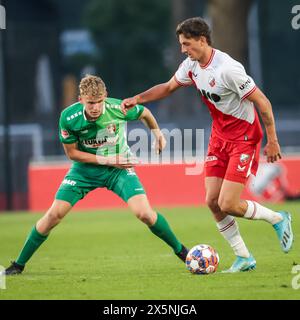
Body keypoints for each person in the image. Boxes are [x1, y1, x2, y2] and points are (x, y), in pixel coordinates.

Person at [121, 17, 294, 272]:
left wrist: (273, 140)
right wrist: (138, 98)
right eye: (181, 44)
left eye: (187, 44)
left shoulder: (228, 69)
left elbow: (263, 102)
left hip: (244, 138)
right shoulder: (191, 65)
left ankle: (278, 218)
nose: (183, 50)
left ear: (202, 40)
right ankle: (244, 257)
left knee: (228, 204)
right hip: (219, 137)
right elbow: (168, 87)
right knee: (212, 201)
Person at [4, 75, 188, 275]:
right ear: (80, 99)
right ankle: (18, 265)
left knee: (144, 213)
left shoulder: (117, 109)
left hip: (118, 170)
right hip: (85, 171)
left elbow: (145, 112)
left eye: (99, 101)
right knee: (53, 215)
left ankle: (183, 252)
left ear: (105, 97)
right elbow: (72, 153)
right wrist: (109, 160)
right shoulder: (69, 118)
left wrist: (158, 135)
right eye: (91, 102)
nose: (96, 107)